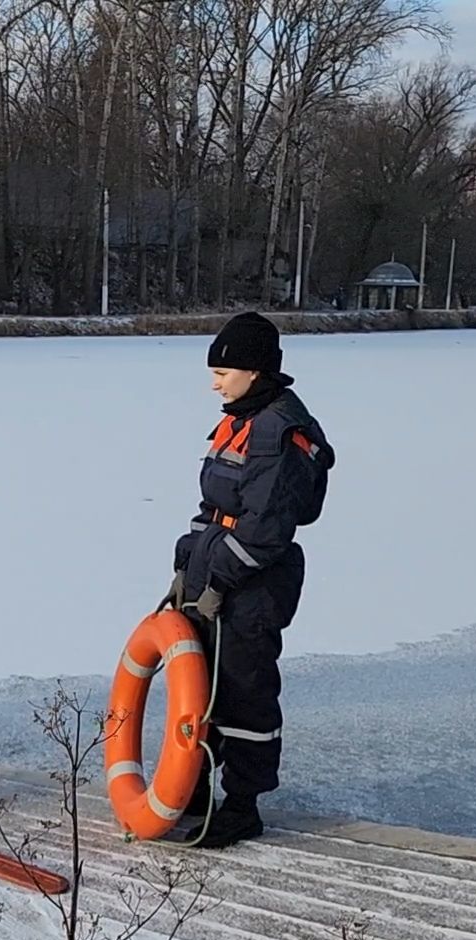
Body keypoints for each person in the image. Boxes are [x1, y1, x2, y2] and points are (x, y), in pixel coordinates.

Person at [167, 312, 334, 848]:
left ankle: (242, 805)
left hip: (254, 583)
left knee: (244, 688)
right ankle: (192, 788)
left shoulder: (278, 430)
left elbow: (265, 530)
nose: (214, 380)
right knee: (199, 686)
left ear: (256, 371)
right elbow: (213, 504)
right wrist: (185, 565)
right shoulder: (236, 420)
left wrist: (220, 584)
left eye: (224, 369)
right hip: (211, 568)